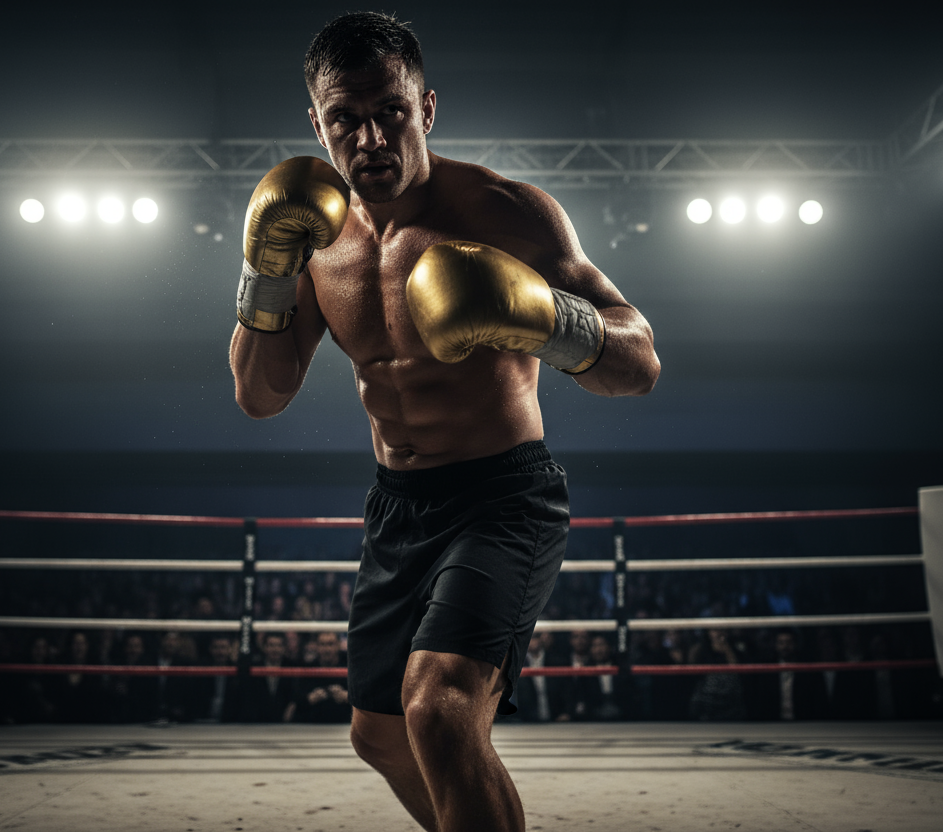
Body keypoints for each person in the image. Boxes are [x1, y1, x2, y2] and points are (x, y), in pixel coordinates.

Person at [229, 12, 659, 832]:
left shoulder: (506, 212)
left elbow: (640, 364)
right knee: (380, 734)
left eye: (388, 111)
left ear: (426, 108)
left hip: (504, 497)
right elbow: (261, 393)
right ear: (315, 124)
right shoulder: (312, 235)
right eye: (344, 119)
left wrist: (546, 319)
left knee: (438, 708)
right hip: (398, 506)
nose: (370, 137)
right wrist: (266, 270)